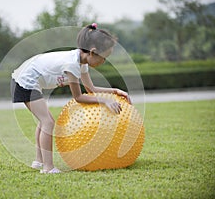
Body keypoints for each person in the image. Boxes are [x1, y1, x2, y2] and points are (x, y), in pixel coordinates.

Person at [11, 23, 131, 174]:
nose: (104, 62)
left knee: (45, 120)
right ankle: (48, 168)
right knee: (47, 121)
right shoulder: (72, 64)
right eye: (104, 58)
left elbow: (91, 89)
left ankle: (39, 161)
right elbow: (79, 97)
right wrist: (105, 101)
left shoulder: (82, 62)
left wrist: (114, 91)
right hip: (25, 81)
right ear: (93, 52)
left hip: (29, 78)